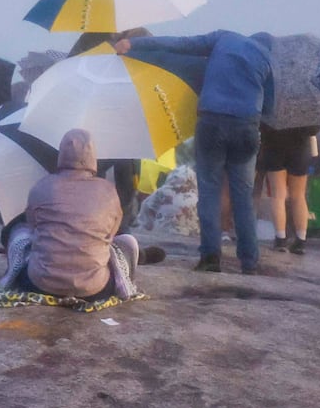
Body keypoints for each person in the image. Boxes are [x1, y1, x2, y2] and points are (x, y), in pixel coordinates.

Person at [116, 30, 273, 274]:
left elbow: (181, 42)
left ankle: (210, 258)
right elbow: (269, 108)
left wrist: (134, 44)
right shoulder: (268, 58)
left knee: (209, 191)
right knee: (243, 195)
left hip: (211, 122)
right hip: (246, 127)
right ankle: (249, 262)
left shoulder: (224, 38)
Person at [3, 128, 156, 300]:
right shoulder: (108, 190)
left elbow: (33, 228)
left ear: (60, 154)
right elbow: (112, 234)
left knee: (18, 233)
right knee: (127, 241)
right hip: (96, 289)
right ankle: (125, 279)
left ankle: (10, 277)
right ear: (93, 156)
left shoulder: (40, 187)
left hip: (40, 286)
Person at [258, 124, 319, 254]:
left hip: (274, 146)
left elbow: (262, 125)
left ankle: (280, 239)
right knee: (298, 195)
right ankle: (300, 240)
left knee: (277, 195)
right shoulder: (306, 104)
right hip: (300, 148)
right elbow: (315, 129)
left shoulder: (275, 103)